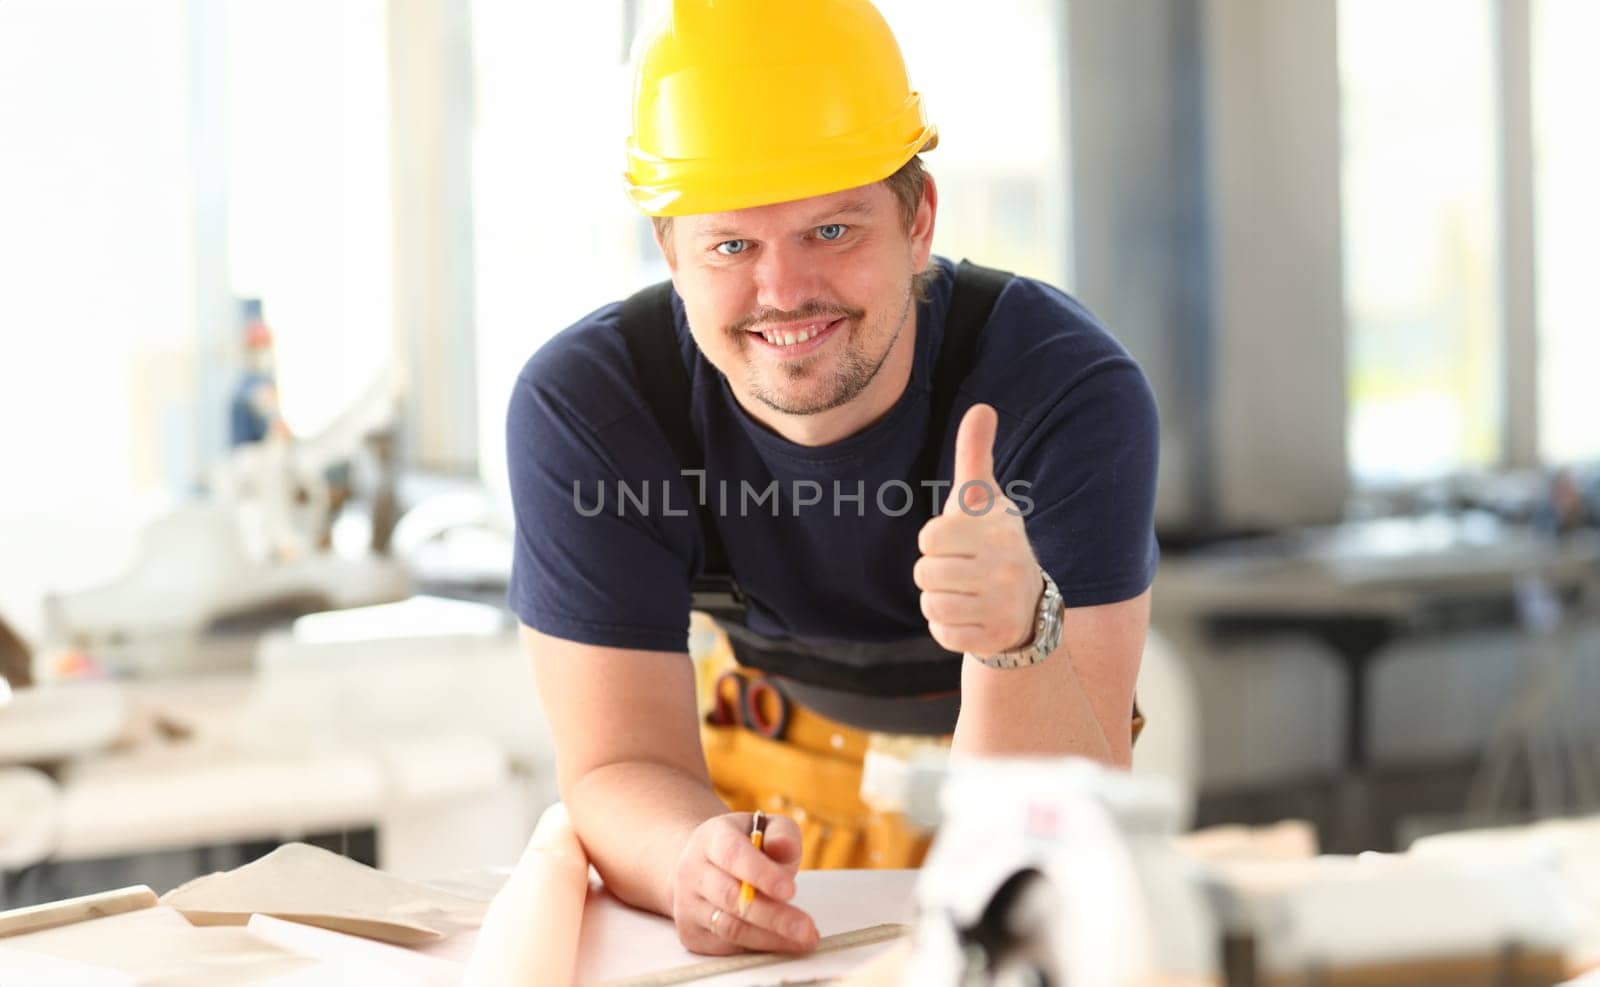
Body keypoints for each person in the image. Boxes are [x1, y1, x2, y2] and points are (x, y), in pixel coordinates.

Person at [506, 0, 1160, 957]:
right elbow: (620, 762)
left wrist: (1021, 632)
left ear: (919, 219)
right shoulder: (597, 408)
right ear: (672, 254)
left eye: (832, 230)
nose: (783, 292)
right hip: (773, 751)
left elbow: (1049, 829)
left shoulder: (1064, 394)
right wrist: (690, 858)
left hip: (1013, 749)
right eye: (732, 244)